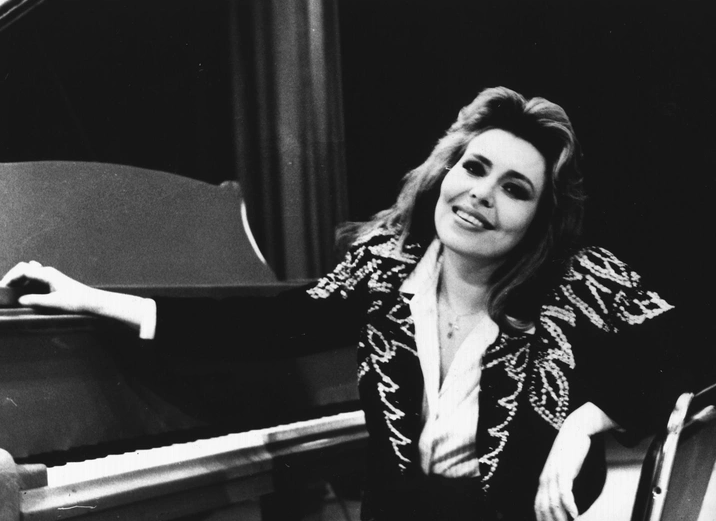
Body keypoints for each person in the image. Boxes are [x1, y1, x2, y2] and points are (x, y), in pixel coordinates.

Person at [1, 86, 682, 521]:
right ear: (447, 171)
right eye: (474, 167)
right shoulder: (384, 266)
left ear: (538, 220)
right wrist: (94, 299)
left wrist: (585, 422)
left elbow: (685, 346)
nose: (481, 193)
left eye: (515, 188)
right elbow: (268, 324)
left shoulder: (575, 280)